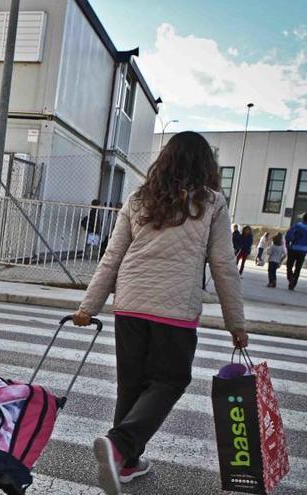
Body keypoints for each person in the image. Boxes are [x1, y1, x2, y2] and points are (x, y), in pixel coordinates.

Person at [71, 132, 248, 495]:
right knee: (170, 380)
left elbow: (112, 257)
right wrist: (236, 323)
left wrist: (88, 306)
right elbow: (223, 265)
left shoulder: (139, 199)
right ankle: (121, 445)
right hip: (175, 308)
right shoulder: (211, 202)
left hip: (131, 303)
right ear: (206, 166)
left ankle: (128, 461)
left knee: (131, 384)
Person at [285, 212, 307, 290]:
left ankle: (290, 277)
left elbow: (289, 235)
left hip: (293, 248)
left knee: (289, 265)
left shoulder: (298, 225)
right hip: (303, 250)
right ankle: (293, 284)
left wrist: (288, 243)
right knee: (298, 268)